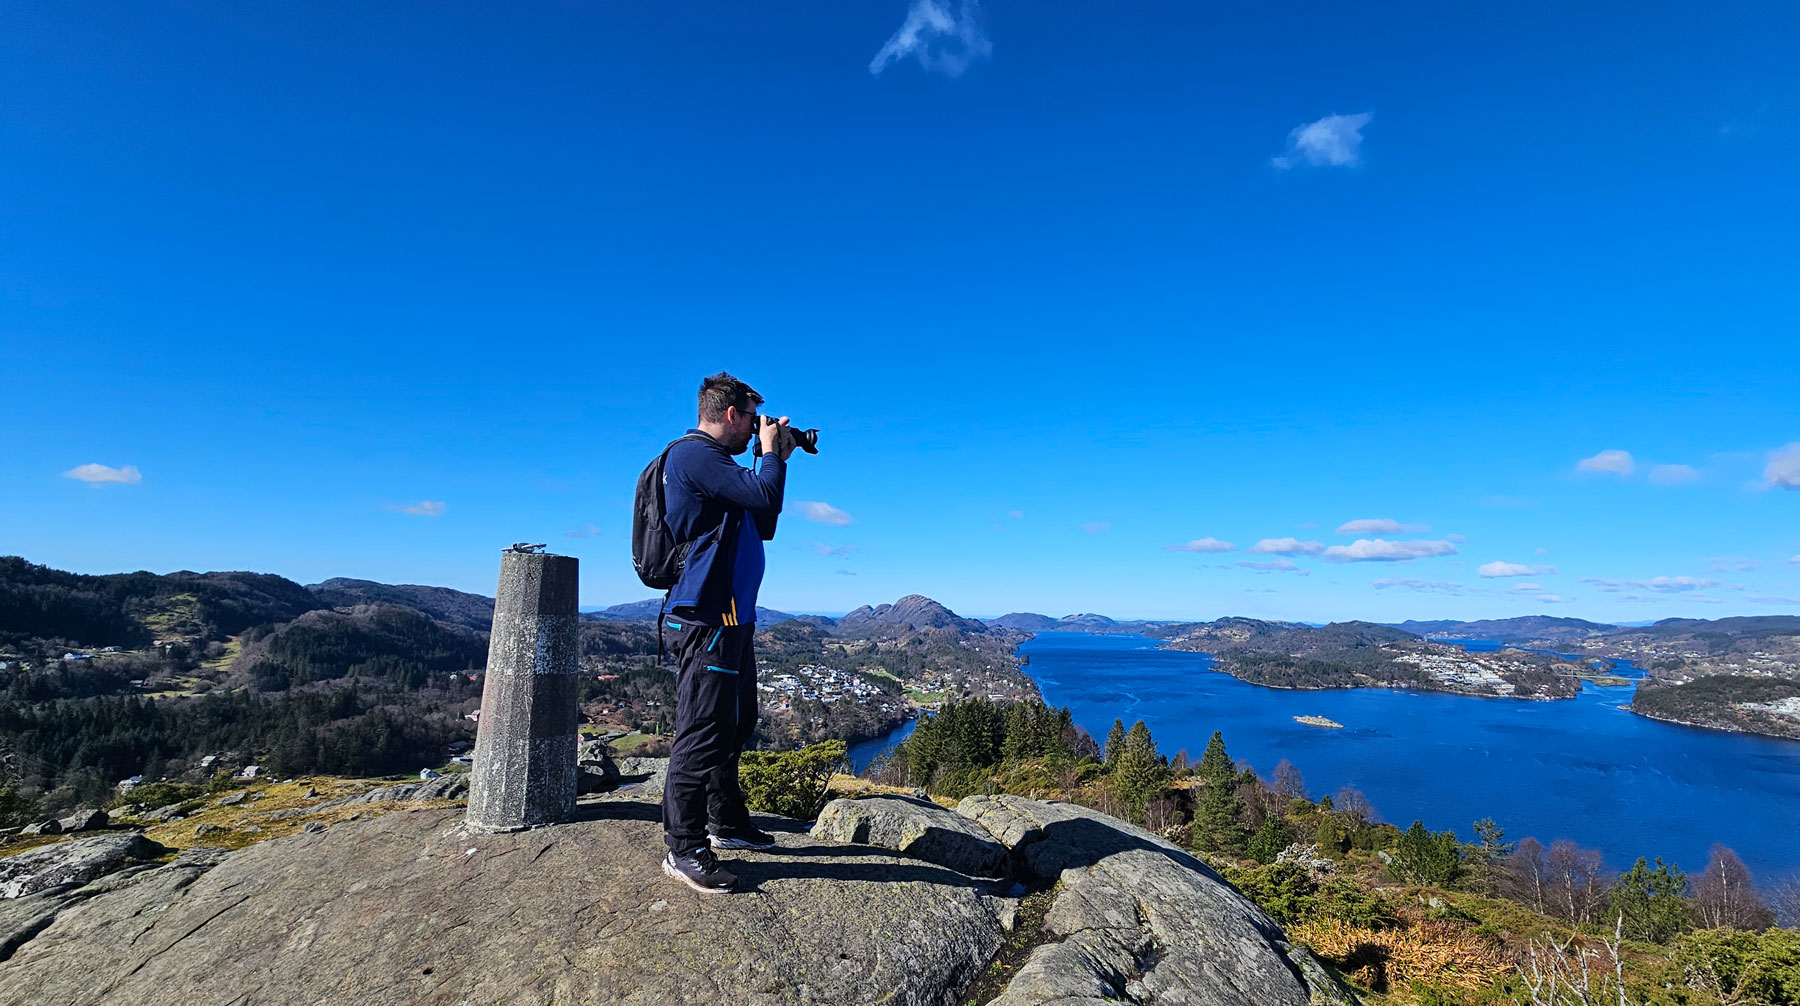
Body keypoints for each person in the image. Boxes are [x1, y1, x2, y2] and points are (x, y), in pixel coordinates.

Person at [657, 372, 796, 894]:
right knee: (702, 731)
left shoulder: (720, 469)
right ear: (732, 414)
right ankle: (684, 846)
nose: (756, 429)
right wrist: (770, 455)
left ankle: (725, 818)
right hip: (708, 617)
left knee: (736, 723)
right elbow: (763, 497)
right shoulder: (694, 457)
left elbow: (764, 518)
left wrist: (775, 457)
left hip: (735, 617)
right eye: (752, 419)